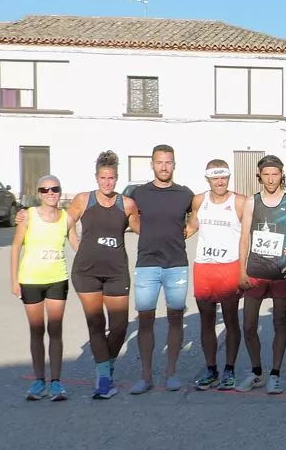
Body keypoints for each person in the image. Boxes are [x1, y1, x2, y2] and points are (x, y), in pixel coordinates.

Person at [67, 150, 140, 400]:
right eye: (103, 178)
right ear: (96, 177)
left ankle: (106, 367)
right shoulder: (83, 200)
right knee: (96, 323)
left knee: (119, 327)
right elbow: (64, 223)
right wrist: (75, 244)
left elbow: (144, 229)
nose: (107, 183)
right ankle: (104, 378)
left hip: (116, 273)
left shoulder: (126, 204)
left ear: (117, 178)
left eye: (111, 178)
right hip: (86, 272)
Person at [130, 145, 195, 394]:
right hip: (147, 264)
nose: (164, 167)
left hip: (176, 265)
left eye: (168, 162)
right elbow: (130, 217)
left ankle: (171, 373)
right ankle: (145, 376)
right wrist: (147, 234)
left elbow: (196, 216)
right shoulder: (139, 193)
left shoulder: (185, 194)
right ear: (152, 165)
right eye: (159, 162)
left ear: (174, 164)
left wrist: (187, 231)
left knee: (175, 318)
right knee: (145, 320)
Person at [238, 155, 286, 394]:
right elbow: (244, 237)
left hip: (280, 272)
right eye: (266, 175)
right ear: (260, 176)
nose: (271, 179)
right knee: (249, 325)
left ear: (281, 175)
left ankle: (275, 374)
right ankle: (257, 372)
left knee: (279, 322)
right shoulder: (252, 202)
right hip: (255, 271)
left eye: (275, 174)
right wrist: (241, 270)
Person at [11, 175, 76, 401]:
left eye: (54, 189)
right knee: (37, 330)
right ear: (38, 193)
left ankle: (56, 382)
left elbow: (77, 244)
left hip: (57, 279)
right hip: (31, 280)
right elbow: (16, 247)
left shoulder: (67, 218)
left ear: (60, 191)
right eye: (45, 190)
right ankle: (39, 380)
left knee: (55, 329)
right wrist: (14, 280)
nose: (50, 193)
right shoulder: (27, 216)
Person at [188, 160, 247, 392]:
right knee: (207, 321)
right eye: (215, 178)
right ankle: (211, 370)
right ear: (208, 179)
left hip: (229, 267)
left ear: (229, 178)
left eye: (224, 177)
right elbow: (191, 227)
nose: (220, 182)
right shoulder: (198, 200)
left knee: (231, 320)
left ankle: (229, 369)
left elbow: (250, 235)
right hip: (204, 267)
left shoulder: (240, 202)